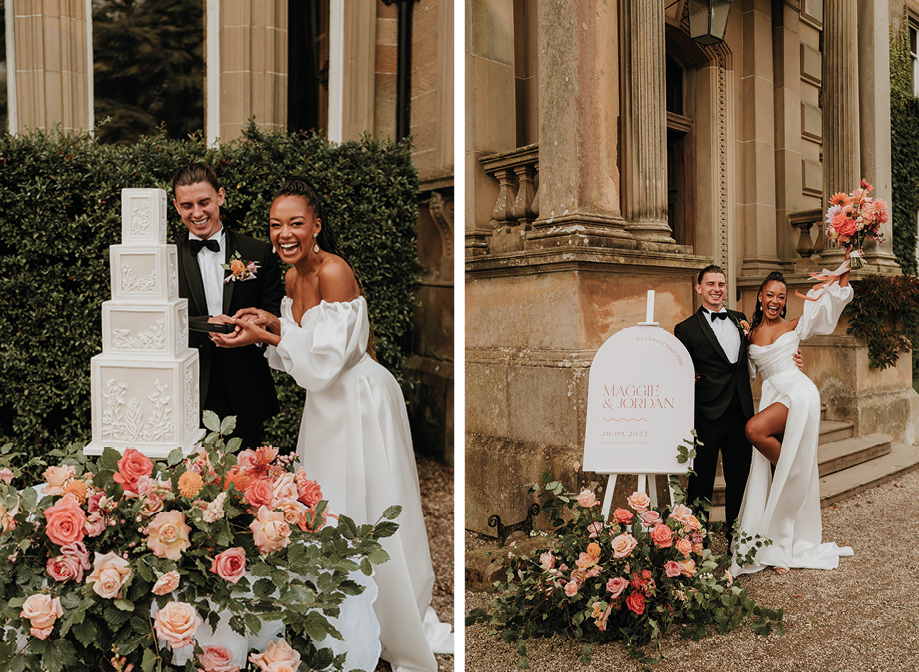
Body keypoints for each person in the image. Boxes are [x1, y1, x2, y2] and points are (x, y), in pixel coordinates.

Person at [212, 177, 453, 672]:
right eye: (276, 224)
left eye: (295, 223)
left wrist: (266, 336)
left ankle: (383, 623)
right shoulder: (292, 278)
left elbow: (326, 363)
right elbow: (306, 351)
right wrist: (270, 326)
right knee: (326, 507)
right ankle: (339, 618)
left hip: (359, 400)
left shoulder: (334, 271)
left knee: (362, 502)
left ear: (316, 225)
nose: (284, 233)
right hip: (325, 406)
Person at [732, 252, 855, 575]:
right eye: (770, 295)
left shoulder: (794, 326)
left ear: (785, 301)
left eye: (781, 297)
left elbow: (828, 307)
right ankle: (776, 544)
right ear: (760, 297)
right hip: (774, 394)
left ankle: (794, 472)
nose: (775, 301)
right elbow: (744, 373)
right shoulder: (749, 335)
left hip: (798, 393)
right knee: (764, 457)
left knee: (754, 430)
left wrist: (846, 266)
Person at [172, 164, 284, 450]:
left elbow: (273, 314)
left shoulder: (258, 252)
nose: (196, 213)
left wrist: (249, 330)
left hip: (245, 386)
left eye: (204, 202)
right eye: (187, 205)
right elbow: (161, 323)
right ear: (176, 206)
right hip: (188, 390)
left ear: (220, 197)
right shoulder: (167, 259)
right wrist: (207, 324)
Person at [673, 266, 756, 544]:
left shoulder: (741, 320)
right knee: (701, 484)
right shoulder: (684, 329)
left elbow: (755, 356)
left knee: (739, 481)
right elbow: (679, 370)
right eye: (710, 284)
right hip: (706, 415)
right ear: (699, 288)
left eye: (721, 283)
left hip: (741, 412)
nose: (717, 289)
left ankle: (738, 542)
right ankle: (696, 544)